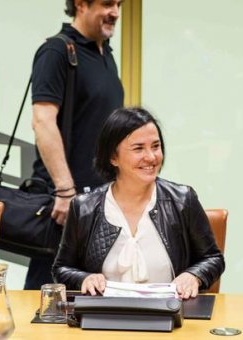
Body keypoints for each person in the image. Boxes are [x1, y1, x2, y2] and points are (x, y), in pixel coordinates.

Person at [53, 107, 225, 299]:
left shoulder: (183, 200)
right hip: (103, 317)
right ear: (113, 157)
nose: (151, 157)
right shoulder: (84, 208)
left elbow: (213, 258)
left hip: (170, 315)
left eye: (156, 146)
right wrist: (84, 278)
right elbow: (61, 269)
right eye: (138, 148)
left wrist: (193, 275)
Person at [26, 0, 124, 289]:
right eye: (107, 3)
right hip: (66, 201)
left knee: (94, 294)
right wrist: (65, 189)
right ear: (80, 4)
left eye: (119, 4)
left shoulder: (105, 53)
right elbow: (43, 121)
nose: (115, 12)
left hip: (101, 198)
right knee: (48, 295)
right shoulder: (57, 51)